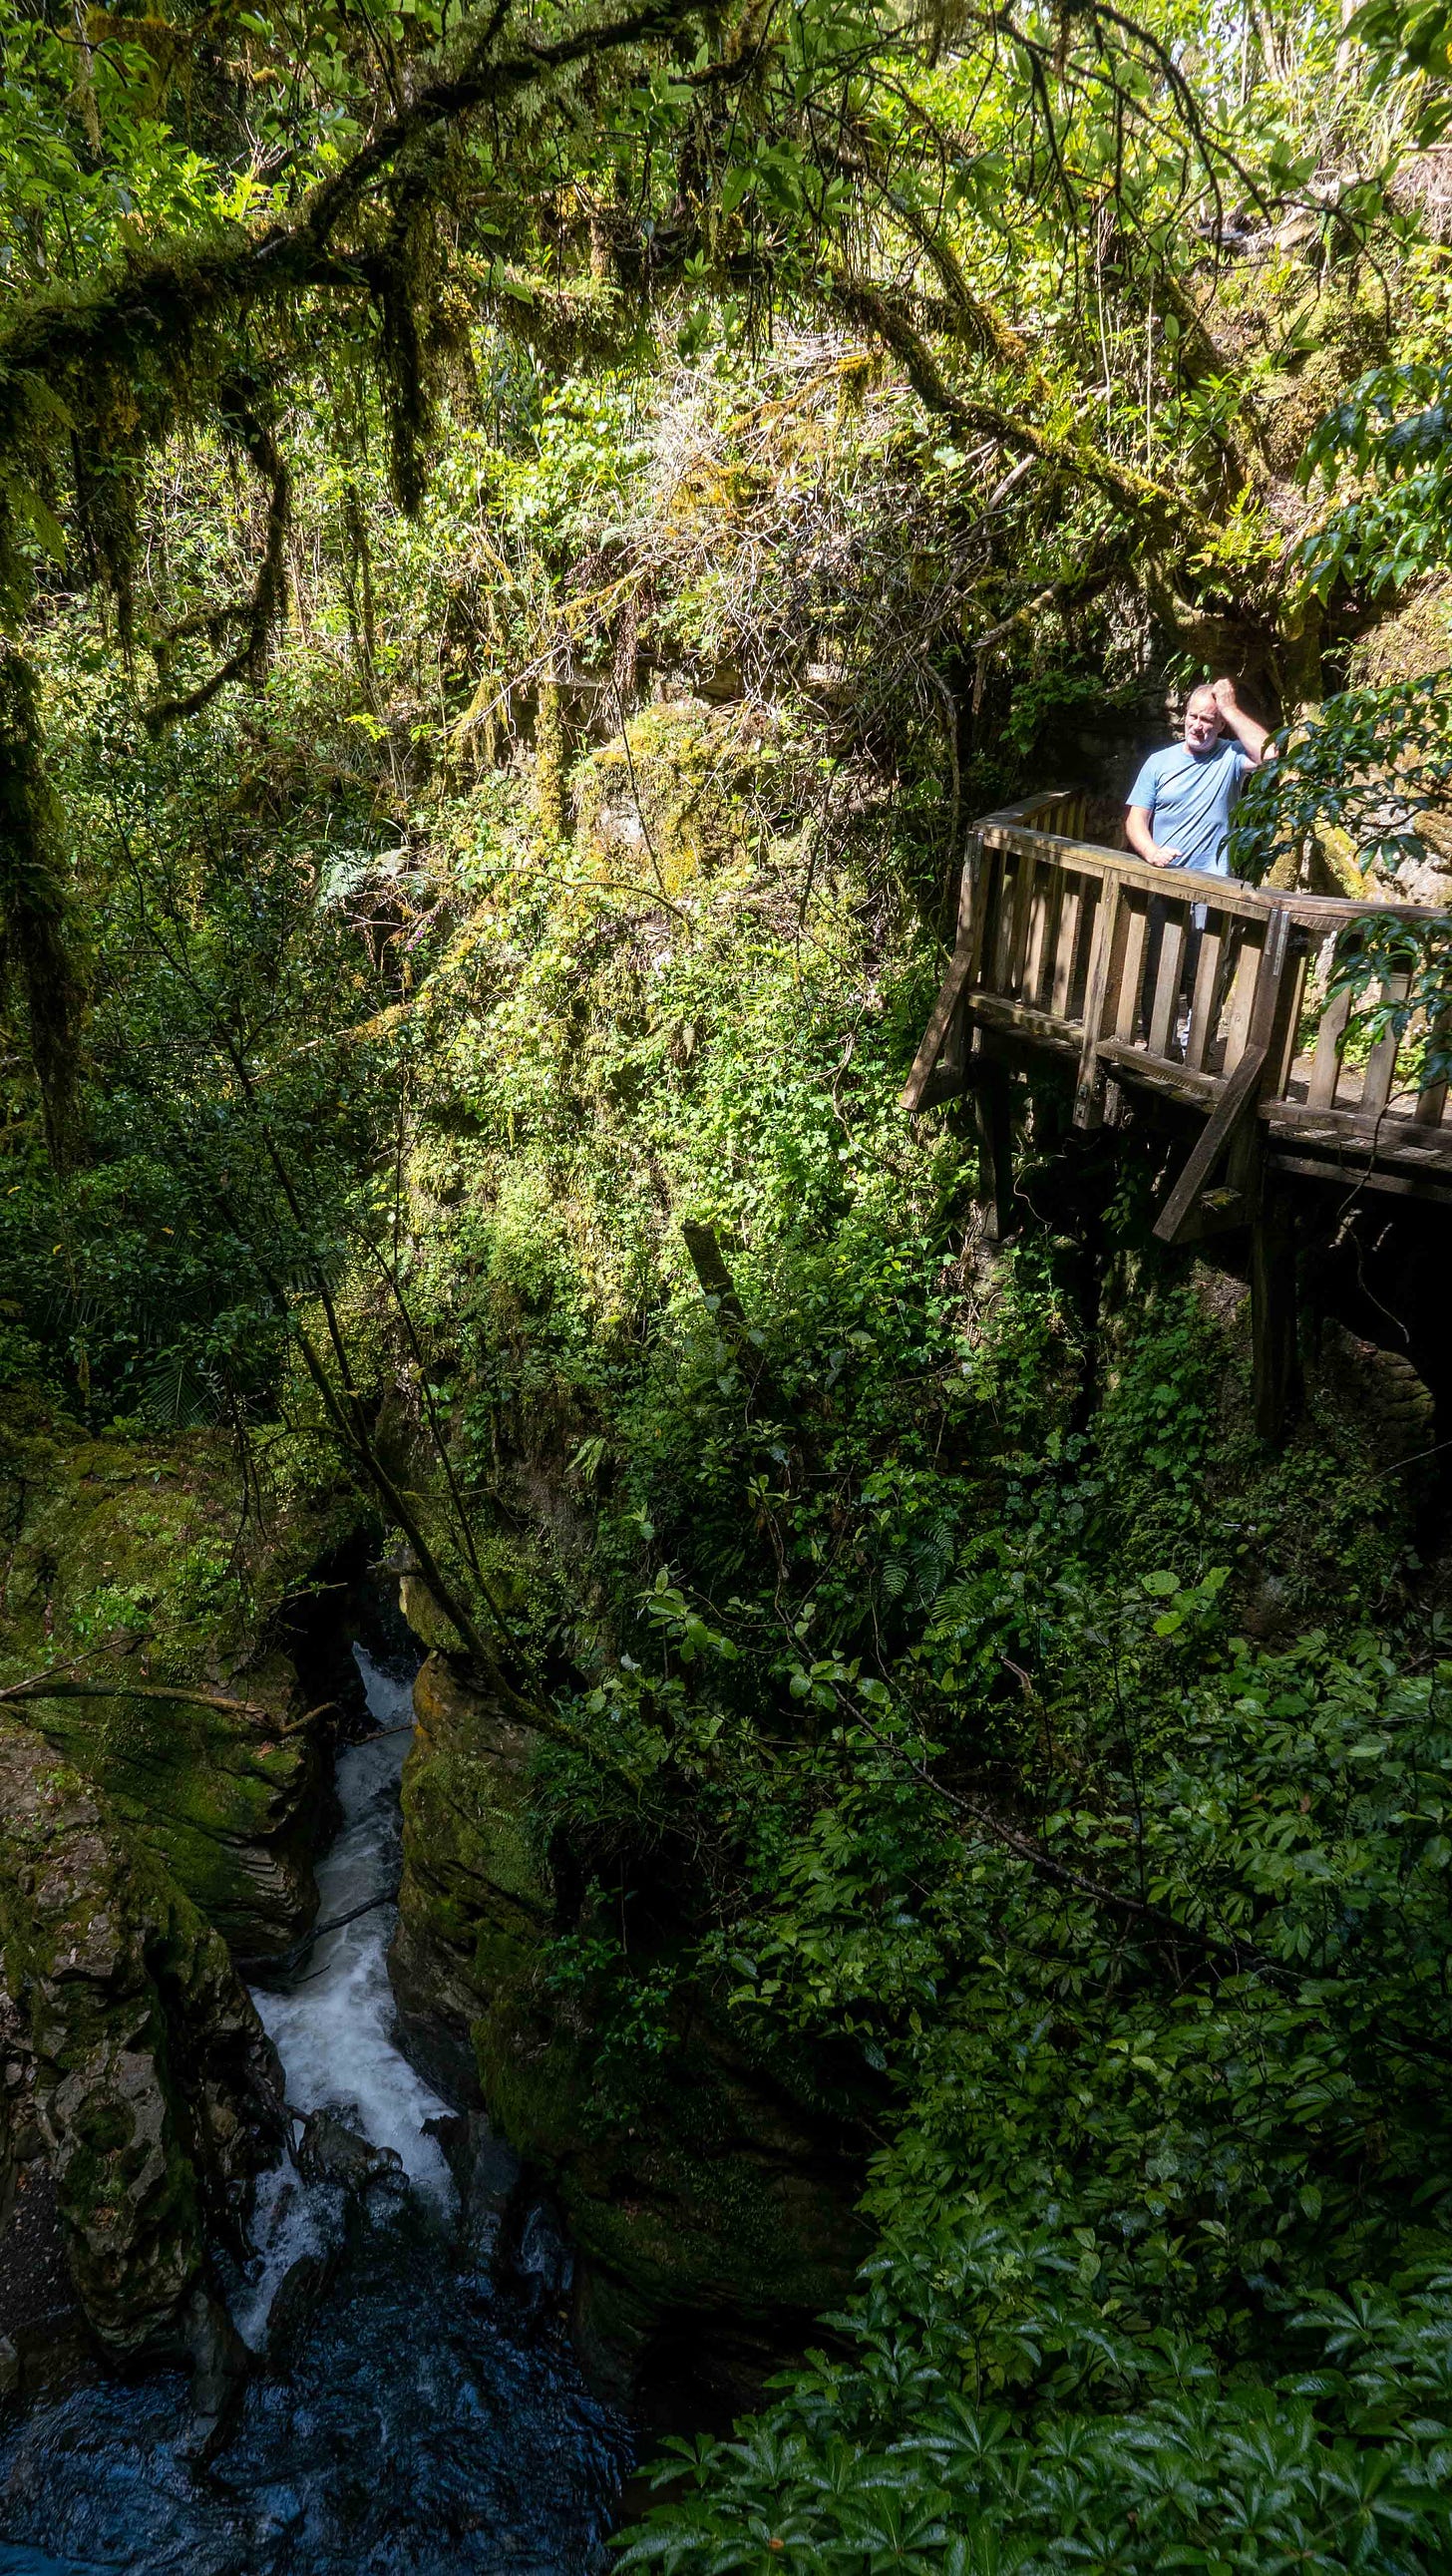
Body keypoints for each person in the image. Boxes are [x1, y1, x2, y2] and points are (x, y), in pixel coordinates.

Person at [1124, 676, 1272, 878]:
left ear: (1221, 725)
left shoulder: (1231, 755)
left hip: (1214, 885)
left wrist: (1229, 708)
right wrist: (1152, 853)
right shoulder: (1157, 762)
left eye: (1207, 720)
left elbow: (1270, 754)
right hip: (1166, 878)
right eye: (1193, 716)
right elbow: (1135, 820)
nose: (1197, 726)